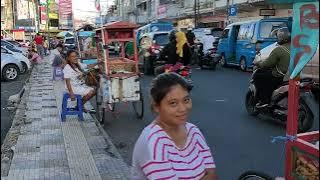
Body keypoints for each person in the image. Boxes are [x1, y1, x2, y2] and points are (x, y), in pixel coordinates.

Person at [131, 73, 217, 180]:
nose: (183, 108)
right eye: (173, 103)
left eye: (186, 100)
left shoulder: (193, 130)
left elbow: (212, 174)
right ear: (156, 107)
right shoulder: (153, 143)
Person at [255, 27, 291, 107]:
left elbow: (267, 64)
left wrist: (258, 64)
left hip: (280, 76)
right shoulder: (296, 49)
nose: (277, 38)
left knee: (258, 75)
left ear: (282, 38)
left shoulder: (279, 50)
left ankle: (264, 100)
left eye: (278, 37)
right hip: (293, 75)